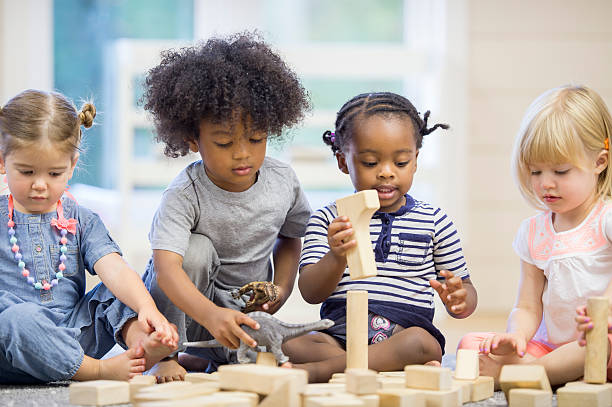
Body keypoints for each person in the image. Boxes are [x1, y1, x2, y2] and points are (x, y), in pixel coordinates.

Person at [140, 32, 312, 382]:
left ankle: (215, 358)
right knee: (196, 251)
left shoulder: (283, 181)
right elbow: (167, 270)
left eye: (256, 138)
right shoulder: (184, 193)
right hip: (191, 314)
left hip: (243, 314)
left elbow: (292, 237)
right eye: (224, 141)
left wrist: (281, 287)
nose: (243, 153)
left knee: (307, 350)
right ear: (192, 139)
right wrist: (211, 316)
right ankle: (167, 353)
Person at [282, 91, 477, 383]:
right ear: (343, 161)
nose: (386, 173)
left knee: (423, 344)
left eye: (400, 163)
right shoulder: (328, 219)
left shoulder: (435, 221)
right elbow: (311, 293)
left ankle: (322, 371)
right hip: (340, 334)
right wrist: (336, 255)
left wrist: (459, 298)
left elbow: (467, 291)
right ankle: (370, 366)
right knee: (288, 340)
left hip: (402, 335)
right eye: (371, 163)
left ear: (415, 161)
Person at [0, 89, 178, 384]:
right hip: (12, 347)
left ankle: (143, 349)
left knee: (122, 289)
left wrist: (147, 307)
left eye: (54, 174)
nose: (40, 185)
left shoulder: (81, 219)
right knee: (16, 317)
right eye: (27, 172)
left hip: (75, 336)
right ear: (3, 161)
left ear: (71, 165)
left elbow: (115, 270)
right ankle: (99, 371)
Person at [458, 85, 612, 387]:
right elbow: (527, 306)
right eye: (535, 171)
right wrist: (517, 334)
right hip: (550, 347)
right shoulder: (534, 231)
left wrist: (604, 312)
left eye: (560, 171)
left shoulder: (606, 219)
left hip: (599, 342)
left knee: (596, 344)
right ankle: (542, 371)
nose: (546, 184)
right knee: (470, 346)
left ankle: (527, 374)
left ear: (599, 163)